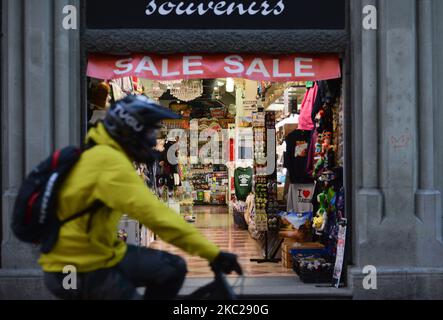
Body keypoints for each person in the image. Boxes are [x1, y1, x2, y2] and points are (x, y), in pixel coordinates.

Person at [39, 95, 242, 300]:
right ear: (132, 129)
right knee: (167, 270)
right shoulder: (109, 164)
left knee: (173, 267)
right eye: (149, 132)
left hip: (97, 254)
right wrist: (213, 253)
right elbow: (158, 217)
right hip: (74, 267)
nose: (153, 140)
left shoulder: (98, 152)